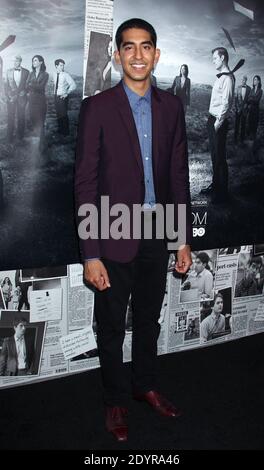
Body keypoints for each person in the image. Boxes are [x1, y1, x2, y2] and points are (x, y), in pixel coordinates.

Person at [75, 18, 192, 442]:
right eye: (129, 47)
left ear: (156, 54)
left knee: (148, 319)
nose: (138, 54)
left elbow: (178, 176)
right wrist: (90, 253)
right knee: (109, 325)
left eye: (146, 47)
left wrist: (180, 238)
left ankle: (145, 386)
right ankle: (115, 401)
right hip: (110, 233)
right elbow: (85, 183)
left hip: (157, 232)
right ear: (117, 54)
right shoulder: (98, 107)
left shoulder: (172, 107)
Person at [201, 47, 235, 204]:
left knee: (220, 158)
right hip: (212, 119)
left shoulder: (228, 79)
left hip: (218, 122)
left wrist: (218, 122)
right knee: (214, 157)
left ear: (222, 58)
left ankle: (223, 195)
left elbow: (226, 104)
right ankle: (215, 186)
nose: (213, 61)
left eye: (215, 58)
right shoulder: (222, 77)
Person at [26, 55, 49, 152]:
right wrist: (32, 85)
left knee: (40, 123)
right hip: (31, 101)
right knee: (32, 121)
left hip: (40, 101)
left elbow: (41, 87)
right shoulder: (31, 74)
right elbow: (26, 85)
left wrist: (31, 85)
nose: (33, 62)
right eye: (32, 60)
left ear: (41, 62)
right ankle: (36, 143)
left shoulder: (45, 74)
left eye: (35, 60)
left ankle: (42, 147)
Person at [5, 54, 29, 142]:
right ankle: (9, 137)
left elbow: (28, 85)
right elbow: (6, 85)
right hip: (11, 98)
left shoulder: (26, 72)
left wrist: (25, 91)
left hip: (22, 98)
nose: (15, 63)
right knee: (10, 117)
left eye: (16, 61)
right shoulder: (8, 71)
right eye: (13, 61)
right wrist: (9, 96)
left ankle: (20, 137)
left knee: (21, 117)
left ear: (20, 61)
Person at [53, 58, 76, 136]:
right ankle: (60, 130)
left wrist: (67, 93)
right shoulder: (54, 74)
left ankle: (66, 132)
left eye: (63, 65)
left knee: (63, 115)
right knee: (58, 114)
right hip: (56, 97)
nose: (62, 67)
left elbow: (73, 85)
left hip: (63, 98)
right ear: (56, 66)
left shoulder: (66, 75)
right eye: (61, 65)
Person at [234, 75, 251, 144]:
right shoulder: (237, 87)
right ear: (241, 80)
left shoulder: (249, 89)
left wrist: (247, 105)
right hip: (238, 109)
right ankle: (235, 139)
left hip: (245, 110)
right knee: (236, 125)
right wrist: (236, 107)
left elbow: (249, 99)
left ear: (246, 80)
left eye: (244, 79)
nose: (243, 80)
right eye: (242, 79)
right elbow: (235, 99)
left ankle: (242, 139)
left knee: (243, 125)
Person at [247, 75, 262, 140]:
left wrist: (251, 98)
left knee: (255, 124)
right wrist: (252, 98)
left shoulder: (260, 91)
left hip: (256, 110)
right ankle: (250, 137)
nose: (254, 81)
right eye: (254, 79)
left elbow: (257, 100)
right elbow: (248, 99)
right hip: (250, 110)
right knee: (250, 123)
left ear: (258, 81)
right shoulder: (252, 89)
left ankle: (253, 139)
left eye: (255, 79)